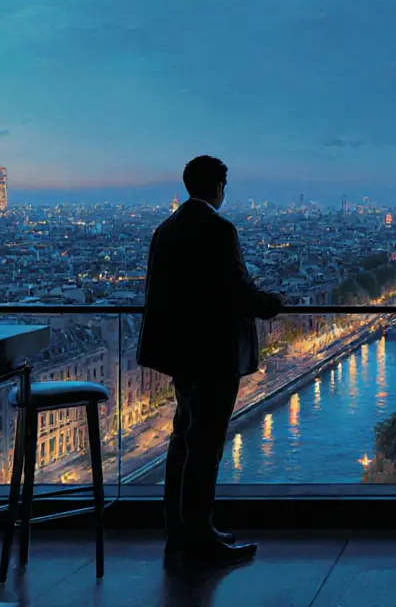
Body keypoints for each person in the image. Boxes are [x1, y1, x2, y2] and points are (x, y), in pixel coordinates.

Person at [138, 155, 284, 568]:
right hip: (215, 352)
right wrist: (270, 304)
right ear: (214, 186)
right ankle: (202, 536)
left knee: (183, 438)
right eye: (224, 182)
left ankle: (180, 531)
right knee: (207, 444)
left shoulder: (165, 230)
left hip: (181, 351)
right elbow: (234, 288)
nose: (226, 189)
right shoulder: (219, 229)